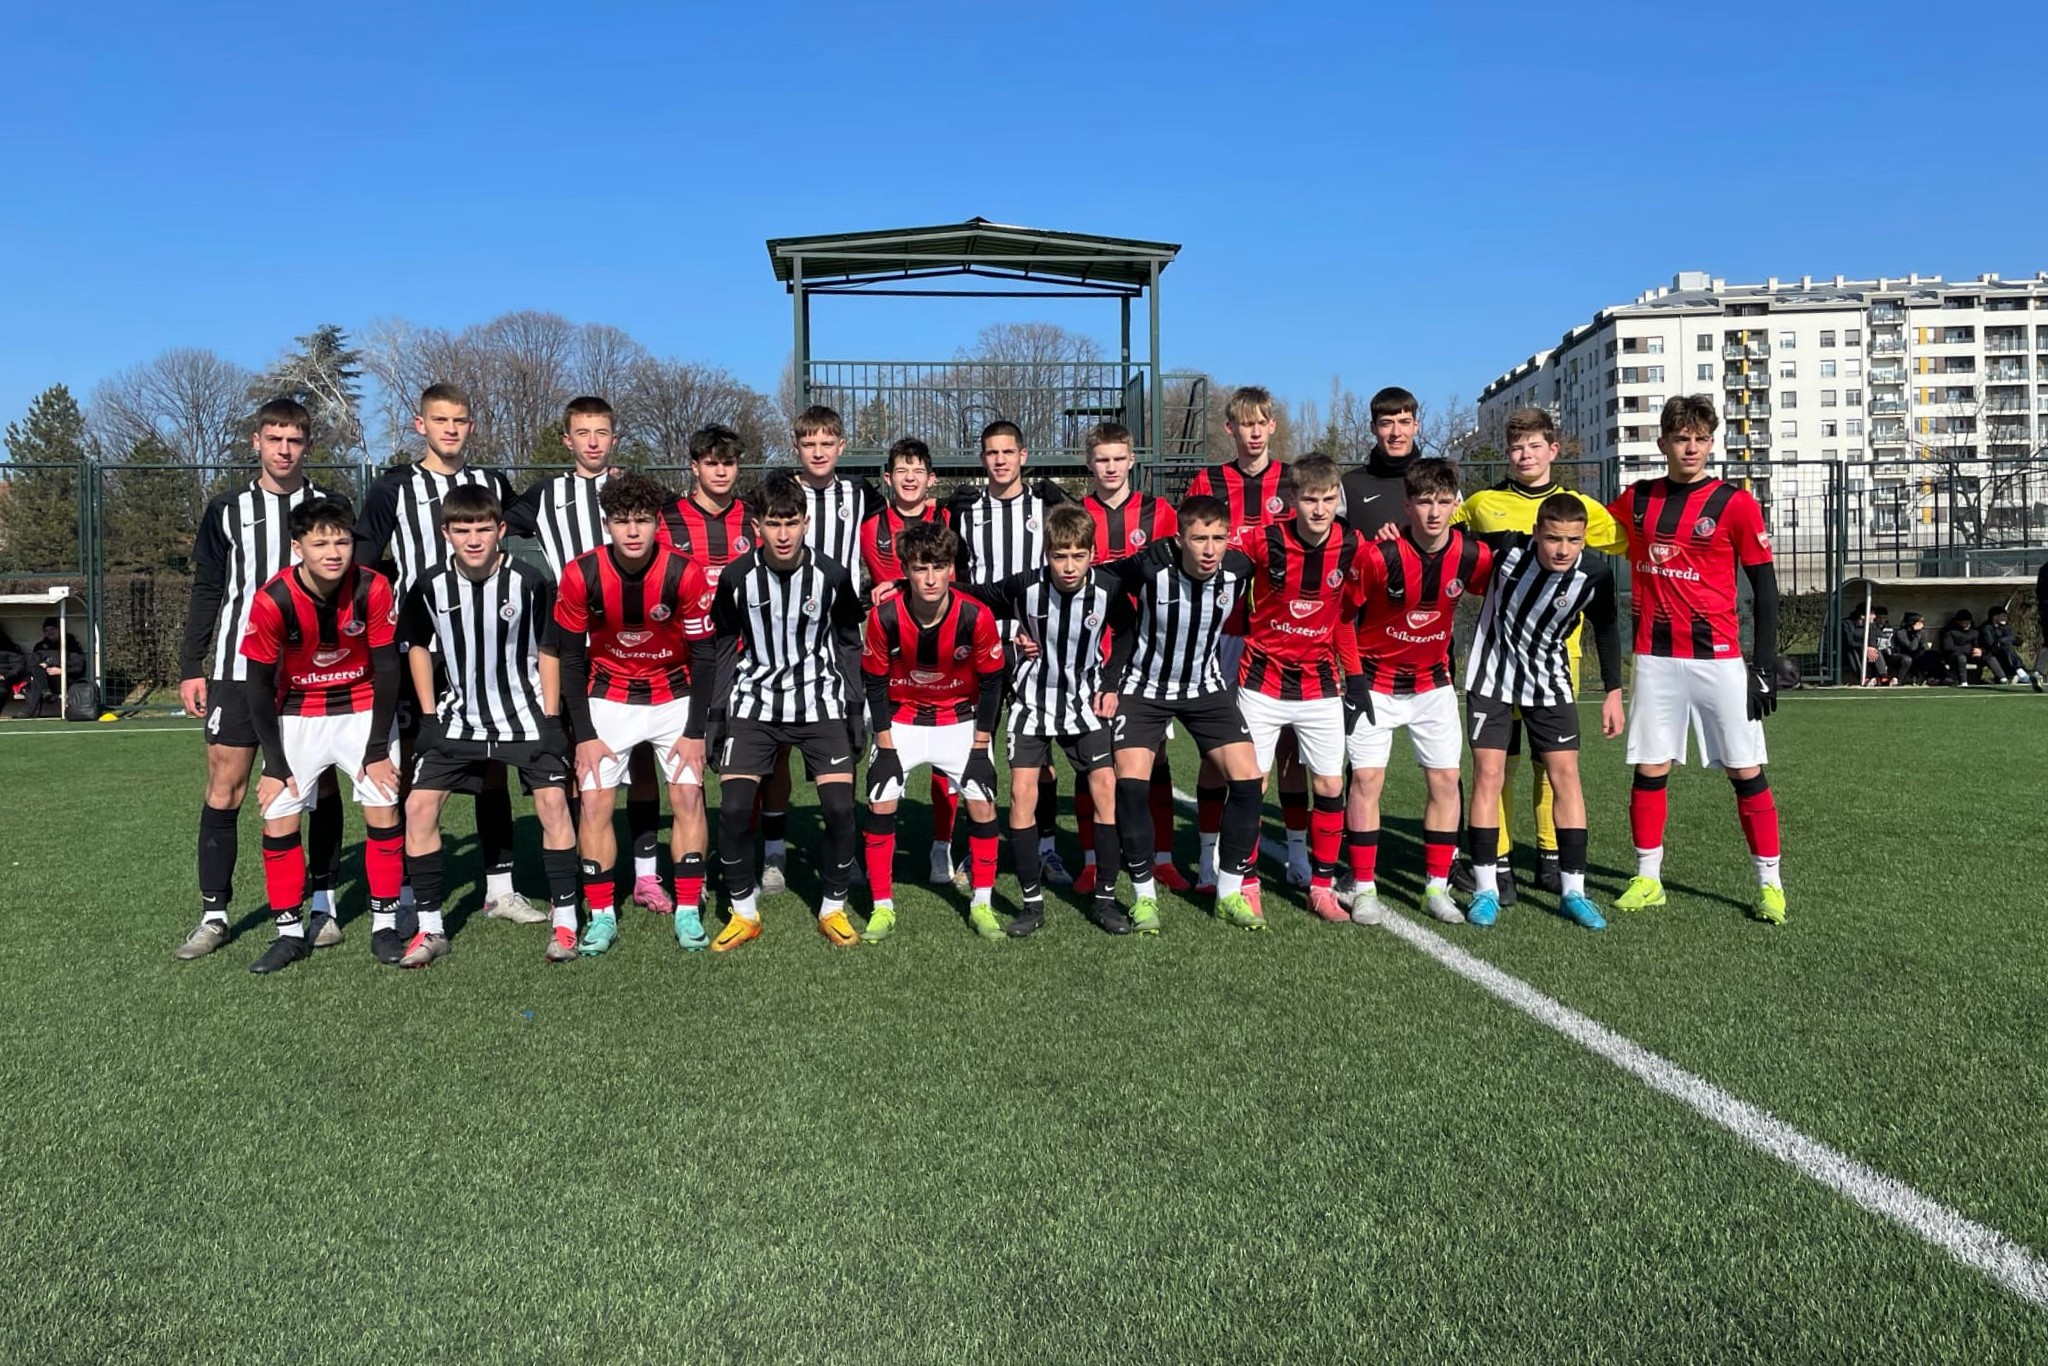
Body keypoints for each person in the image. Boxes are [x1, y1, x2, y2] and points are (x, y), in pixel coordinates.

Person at [173, 398, 347, 960]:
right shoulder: (226, 509)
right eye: (274, 439)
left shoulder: (330, 506)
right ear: (256, 442)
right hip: (236, 668)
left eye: (294, 440)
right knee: (226, 785)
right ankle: (215, 914)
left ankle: (322, 904)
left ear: (308, 445)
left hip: (311, 670)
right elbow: (208, 589)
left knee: (320, 784)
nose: (284, 450)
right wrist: (191, 666)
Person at [355, 384, 536, 923]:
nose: (451, 429)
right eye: (441, 420)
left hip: (487, 646)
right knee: (410, 762)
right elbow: (364, 558)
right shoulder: (394, 486)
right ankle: (410, 889)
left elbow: (531, 515)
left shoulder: (492, 482)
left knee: (493, 764)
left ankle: (500, 888)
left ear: (471, 426)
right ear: (421, 425)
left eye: (459, 420)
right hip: (421, 647)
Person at [1609, 395, 1786, 925]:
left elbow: (1766, 588)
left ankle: (1770, 886)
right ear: (1662, 442)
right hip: (1656, 658)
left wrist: (1764, 665)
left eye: (1701, 439)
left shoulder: (1735, 503)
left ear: (1711, 443)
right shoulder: (1637, 499)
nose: (1692, 448)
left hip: (1719, 660)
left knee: (1745, 768)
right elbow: (1579, 528)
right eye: (1682, 438)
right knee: (1650, 767)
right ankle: (1648, 878)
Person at [399, 485, 582, 966]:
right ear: (446, 533)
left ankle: (566, 923)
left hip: (525, 716)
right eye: (463, 530)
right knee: (418, 808)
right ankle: (431, 929)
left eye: (483, 528)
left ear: (501, 529)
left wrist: (551, 718)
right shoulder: (429, 585)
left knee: (554, 805)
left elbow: (549, 648)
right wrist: (429, 716)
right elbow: (417, 646)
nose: (474, 539)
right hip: (459, 718)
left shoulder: (530, 581)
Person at [505, 395, 668, 915]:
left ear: (614, 439)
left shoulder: (631, 489)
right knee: (583, 755)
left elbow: (674, 520)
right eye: (583, 432)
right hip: (573, 638)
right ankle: (584, 870)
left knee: (641, 758)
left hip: (634, 637)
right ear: (567, 440)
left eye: (602, 433)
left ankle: (646, 874)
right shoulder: (544, 494)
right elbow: (493, 523)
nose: (593, 442)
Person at [1455, 407, 1627, 897]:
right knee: (1498, 764)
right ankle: (1499, 860)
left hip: (1558, 658)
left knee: (1551, 766)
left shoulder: (1582, 508)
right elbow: (1447, 538)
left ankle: (1552, 860)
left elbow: (1629, 543)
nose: (1525, 455)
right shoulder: (1483, 504)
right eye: (1516, 447)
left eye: (1534, 446)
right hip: (1500, 658)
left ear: (1553, 449)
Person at [691, 471, 865, 950]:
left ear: (806, 523)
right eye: (773, 523)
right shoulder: (736, 577)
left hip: (819, 700)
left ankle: (832, 908)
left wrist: (854, 709)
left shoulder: (832, 575)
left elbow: (849, 644)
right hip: (755, 701)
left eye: (791, 523)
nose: (783, 534)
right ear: (757, 526)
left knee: (840, 810)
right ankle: (744, 913)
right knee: (733, 810)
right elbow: (724, 647)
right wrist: (716, 715)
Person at [553, 474, 717, 957]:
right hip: (609, 696)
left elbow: (705, 656)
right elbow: (570, 659)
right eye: (622, 520)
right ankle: (602, 913)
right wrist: (584, 734)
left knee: (688, 796)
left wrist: (695, 731)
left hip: (673, 695)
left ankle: (687, 908)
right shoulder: (580, 573)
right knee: (595, 802)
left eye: (642, 520)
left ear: (657, 524)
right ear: (607, 524)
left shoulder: (684, 572)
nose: (632, 531)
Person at [237, 497, 402, 974]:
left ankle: (385, 925)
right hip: (298, 713)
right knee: (279, 817)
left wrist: (376, 748)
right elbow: (257, 685)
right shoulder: (272, 599)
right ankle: (289, 934)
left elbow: (388, 668)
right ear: (298, 548)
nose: (333, 552)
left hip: (362, 708)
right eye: (321, 543)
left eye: (342, 541)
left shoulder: (373, 586)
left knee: (383, 807)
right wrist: (274, 764)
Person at [1098, 494, 1266, 933]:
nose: (1210, 549)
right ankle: (1144, 898)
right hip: (1145, 688)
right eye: (1199, 539)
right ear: (1179, 540)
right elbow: (1098, 578)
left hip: (1205, 688)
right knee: (1131, 785)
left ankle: (1228, 893)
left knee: (1249, 782)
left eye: (1218, 538)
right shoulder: (1151, 568)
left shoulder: (1238, 568)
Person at [969, 502, 1132, 936]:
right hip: (1032, 702)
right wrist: (900, 584)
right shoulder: (1025, 587)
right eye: (1060, 556)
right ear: (1047, 554)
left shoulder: (1108, 588)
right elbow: (976, 595)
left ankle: (1105, 900)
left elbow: (1129, 631)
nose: (1069, 566)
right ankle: (1031, 905)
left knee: (1106, 789)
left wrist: (1110, 682)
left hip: (1084, 702)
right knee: (1022, 793)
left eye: (1078, 555)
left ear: (1092, 554)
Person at [1343, 459, 1493, 926]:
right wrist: (1353, 680)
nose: (1434, 512)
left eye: (1443, 502)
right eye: (1424, 502)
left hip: (1433, 684)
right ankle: (1362, 887)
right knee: (1366, 781)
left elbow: (1497, 592)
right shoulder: (1379, 555)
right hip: (1375, 683)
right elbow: (1343, 618)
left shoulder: (1472, 555)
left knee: (1446, 780)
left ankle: (1435, 887)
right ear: (1407, 505)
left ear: (1455, 504)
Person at [1232, 454, 1370, 924]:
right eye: (1310, 499)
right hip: (1261, 681)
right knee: (1252, 783)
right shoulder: (1264, 539)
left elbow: (1347, 616)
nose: (1320, 509)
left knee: (1330, 784)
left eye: (1328, 499)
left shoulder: (1352, 544)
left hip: (1320, 684)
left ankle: (1322, 888)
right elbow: (1214, 555)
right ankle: (1247, 882)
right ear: (1292, 498)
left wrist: (1356, 678)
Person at [859, 520, 1007, 941]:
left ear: (951, 569)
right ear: (905, 569)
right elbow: (874, 682)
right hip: (902, 719)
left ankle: (982, 904)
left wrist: (981, 746)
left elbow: (993, 682)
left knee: (983, 803)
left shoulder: (976, 615)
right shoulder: (884, 616)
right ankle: (882, 907)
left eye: (938, 567)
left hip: (959, 719)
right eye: (920, 568)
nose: (930, 578)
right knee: (880, 801)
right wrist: (885, 745)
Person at [1184, 387, 1301, 890]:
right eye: (1244, 424)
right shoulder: (1208, 481)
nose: (1254, 433)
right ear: (1229, 429)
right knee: (1219, 750)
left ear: (1272, 425)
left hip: (1282, 632)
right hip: (1223, 633)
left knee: (1290, 749)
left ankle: (1297, 854)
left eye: (1261, 423)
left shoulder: (1293, 480)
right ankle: (1210, 856)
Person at [947, 419, 1072, 883]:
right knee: (974, 747)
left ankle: (1046, 848)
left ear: (1023, 456)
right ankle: (974, 851)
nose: (1000, 460)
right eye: (991, 453)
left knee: (1040, 753)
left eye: (1007, 452)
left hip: (1034, 644)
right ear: (982, 458)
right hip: (980, 643)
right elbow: (959, 575)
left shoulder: (1046, 505)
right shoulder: (965, 510)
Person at [757, 405, 872, 897]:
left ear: (841, 446)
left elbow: (893, 533)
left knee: (846, 742)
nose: (818, 452)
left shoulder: (860, 494)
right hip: (780, 638)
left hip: (839, 635)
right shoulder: (779, 493)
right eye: (809, 443)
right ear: (796, 447)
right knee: (777, 747)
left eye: (827, 443)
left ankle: (844, 851)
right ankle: (774, 853)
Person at [1074, 422, 1183, 894]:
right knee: (1092, 759)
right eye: (1102, 459)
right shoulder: (1076, 514)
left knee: (1155, 758)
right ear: (1089, 463)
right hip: (1088, 653)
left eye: (1119, 458)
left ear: (1132, 460)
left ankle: (1163, 857)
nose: (1111, 467)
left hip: (1150, 656)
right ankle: (1092, 861)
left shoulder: (1160, 513)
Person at [857, 436, 963, 887]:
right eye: (901, 470)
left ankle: (942, 847)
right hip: (892, 656)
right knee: (884, 756)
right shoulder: (870, 526)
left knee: (947, 759)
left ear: (931, 479)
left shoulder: (948, 519)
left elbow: (955, 578)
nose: (909, 478)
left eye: (918, 470)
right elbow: (867, 586)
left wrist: (902, 585)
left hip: (945, 652)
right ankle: (872, 851)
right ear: (888, 478)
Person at [20, 617, 85, 718]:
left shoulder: (71, 645)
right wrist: (43, 665)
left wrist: (61, 670)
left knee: (37, 683)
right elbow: (31, 666)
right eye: (46, 630)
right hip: (45, 680)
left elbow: (79, 666)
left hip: (65, 679)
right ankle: (45, 691)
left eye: (52, 629)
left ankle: (30, 712)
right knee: (36, 671)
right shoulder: (40, 646)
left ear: (60, 629)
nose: (50, 633)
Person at [1843, 605, 1890, 686]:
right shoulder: (1847, 624)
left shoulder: (1872, 625)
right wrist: (1865, 648)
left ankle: (1883, 677)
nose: (1874, 617)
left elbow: (1873, 641)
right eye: (1872, 614)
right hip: (1849, 653)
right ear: (1862, 616)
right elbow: (1849, 642)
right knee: (1852, 651)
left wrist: (1870, 649)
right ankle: (1863, 678)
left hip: (1866, 654)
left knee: (1874, 650)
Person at [1978, 606, 2024, 685]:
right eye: (2003, 616)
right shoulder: (1986, 628)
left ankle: (2017, 671)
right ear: (1995, 617)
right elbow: (1991, 644)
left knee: (2007, 647)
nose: (2005, 618)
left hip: (2002, 652)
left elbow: (2015, 639)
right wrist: (2003, 641)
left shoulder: (2004, 627)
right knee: (2006, 647)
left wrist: (2005, 640)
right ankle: (2018, 670)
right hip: (1988, 653)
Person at [1891, 611, 1937, 684]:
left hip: (1915, 655)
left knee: (1932, 654)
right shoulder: (1901, 633)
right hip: (1901, 655)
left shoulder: (1920, 633)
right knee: (1908, 659)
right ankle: (1899, 681)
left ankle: (1936, 678)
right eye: (1919, 622)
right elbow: (1912, 648)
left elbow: (1924, 647)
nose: (1921, 625)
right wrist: (1917, 634)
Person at [1940, 609, 1983, 686]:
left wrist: (1980, 650)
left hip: (1970, 654)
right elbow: (1948, 647)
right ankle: (1963, 681)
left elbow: (1976, 644)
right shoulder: (1949, 631)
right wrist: (1968, 650)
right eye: (1965, 623)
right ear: (1958, 622)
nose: (1968, 625)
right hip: (1953, 655)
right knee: (1961, 658)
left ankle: (2002, 678)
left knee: (1988, 657)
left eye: (1969, 622)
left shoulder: (1974, 631)